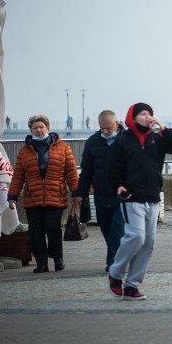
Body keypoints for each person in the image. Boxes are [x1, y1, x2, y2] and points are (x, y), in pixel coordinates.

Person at [107, 102, 172, 300]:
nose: (146, 117)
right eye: (142, 114)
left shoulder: (157, 137)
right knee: (136, 236)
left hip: (152, 195)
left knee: (149, 242)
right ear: (132, 118)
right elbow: (114, 168)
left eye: (149, 114)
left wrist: (162, 127)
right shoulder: (123, 140)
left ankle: (132, 285)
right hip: (132, 197)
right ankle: (115, 273)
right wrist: (119, 185)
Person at [8, 114, 80, 273]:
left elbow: (71, 172)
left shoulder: (63, 148)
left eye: (41, 127)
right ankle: (41, 263)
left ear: (48, 128)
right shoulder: (24, 152)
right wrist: (13, 195)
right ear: (31, 130)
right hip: (32, 198)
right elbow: (18, 175)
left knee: (53, 229)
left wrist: (76, 191)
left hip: (56, 196)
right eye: (35, 128)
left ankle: (57, 258)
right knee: (36, 232)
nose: (38, 130)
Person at [75, 110, 125, 272]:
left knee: (117, 229)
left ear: (117, 124)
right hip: (101, 194)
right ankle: (121, 256)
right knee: (105, 227)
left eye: (108, 128)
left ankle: (113, 263)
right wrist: (80, 193)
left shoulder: (127, 141)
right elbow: (87, 171)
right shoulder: (92, 143)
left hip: (123, 196)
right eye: (102, 128)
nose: (105, 131)